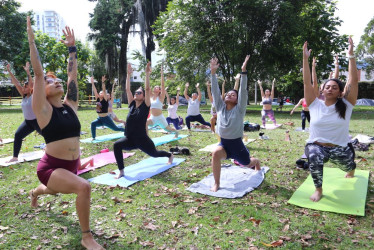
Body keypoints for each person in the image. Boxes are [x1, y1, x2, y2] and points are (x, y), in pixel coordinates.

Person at [26, 17, 103, 249]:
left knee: (51, 190)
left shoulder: (70, 105)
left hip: (72, 165)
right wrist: (31, 40)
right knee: (83, 187)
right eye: (51, 81)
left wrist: (72, 49)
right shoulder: (42, 109)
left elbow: (72, 76)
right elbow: (39, 74)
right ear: (41, 90)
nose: (56, 81)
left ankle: (34, 193)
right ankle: (86, 236)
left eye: (56, 79)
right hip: (51, 167)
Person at [302, 37, 358, 202]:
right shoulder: (314, 104)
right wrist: (305, 60)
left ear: (340, 92)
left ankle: (351, 168)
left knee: (348, 166)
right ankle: (318, 189)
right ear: (322, 90)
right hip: (317, 146)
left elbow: (353, 81)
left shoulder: (346, 105)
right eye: (328, 87)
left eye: (335, 87)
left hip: (339, 148)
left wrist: (351, 56)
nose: (331, 89)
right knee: (313, 156)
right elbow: (306, 83)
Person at [209, 56, 261, 192]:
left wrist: (244, 72)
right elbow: (215, 91)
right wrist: (213, 73)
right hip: (224, 144)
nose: (229, 95)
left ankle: (256, 161)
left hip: (237, 145)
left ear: (238, 101)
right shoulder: (220, 107)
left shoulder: (239, 109)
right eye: (228, 94)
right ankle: (217, 183)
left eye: (233, 95)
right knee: (215, 154)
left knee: (247, 163)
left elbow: (243, 91)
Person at [114, 63, 174, 179]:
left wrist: (147, 74)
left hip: (142, 139)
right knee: (116, 145)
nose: (136, 93)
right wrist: (128, 74)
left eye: (139, 93)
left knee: (155, 154)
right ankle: (121, 171)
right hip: (129, 139)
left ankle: (169, 155)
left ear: (143, 95)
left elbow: (147, 88)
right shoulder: (131, 104)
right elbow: (127, 89)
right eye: (136, 92)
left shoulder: (145, 105)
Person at [6, 62, 41, 163]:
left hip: (37, 121)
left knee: (49, 136)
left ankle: (56, 150)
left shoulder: (34, 95)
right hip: (28, 122)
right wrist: (9, 71)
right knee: (18, 135)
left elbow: (31, 83)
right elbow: (16, 83)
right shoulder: (24, 95)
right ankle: (15, 157)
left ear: (30, 88)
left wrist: (28, 72)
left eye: (25, 87)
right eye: (23, 87)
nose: (23, 88)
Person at [145, 65, 178, 137]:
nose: (155, 87)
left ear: (160, 90)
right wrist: (148, 74)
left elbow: (162, 85)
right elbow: (147, 87)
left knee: (167, 129)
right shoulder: (151, 96)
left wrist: (162, 74)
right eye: (155, 87)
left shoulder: (161, 97)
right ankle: (146, 138)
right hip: (153, 117)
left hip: (160, 117)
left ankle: (176, 132)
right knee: (145, 123)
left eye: (157, 87)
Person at [90, 75, 124, 140]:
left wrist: (103, 82)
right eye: (100, 93)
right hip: (99, 119)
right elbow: (95, 91)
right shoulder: (97, 99)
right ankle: (93, 138)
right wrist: (92, 83)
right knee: (93, 124)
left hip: (106, 118)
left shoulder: (105, 100)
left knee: (116, 128)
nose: (101, 93)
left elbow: (103, 89)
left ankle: (127, 132)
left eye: (103, 93)